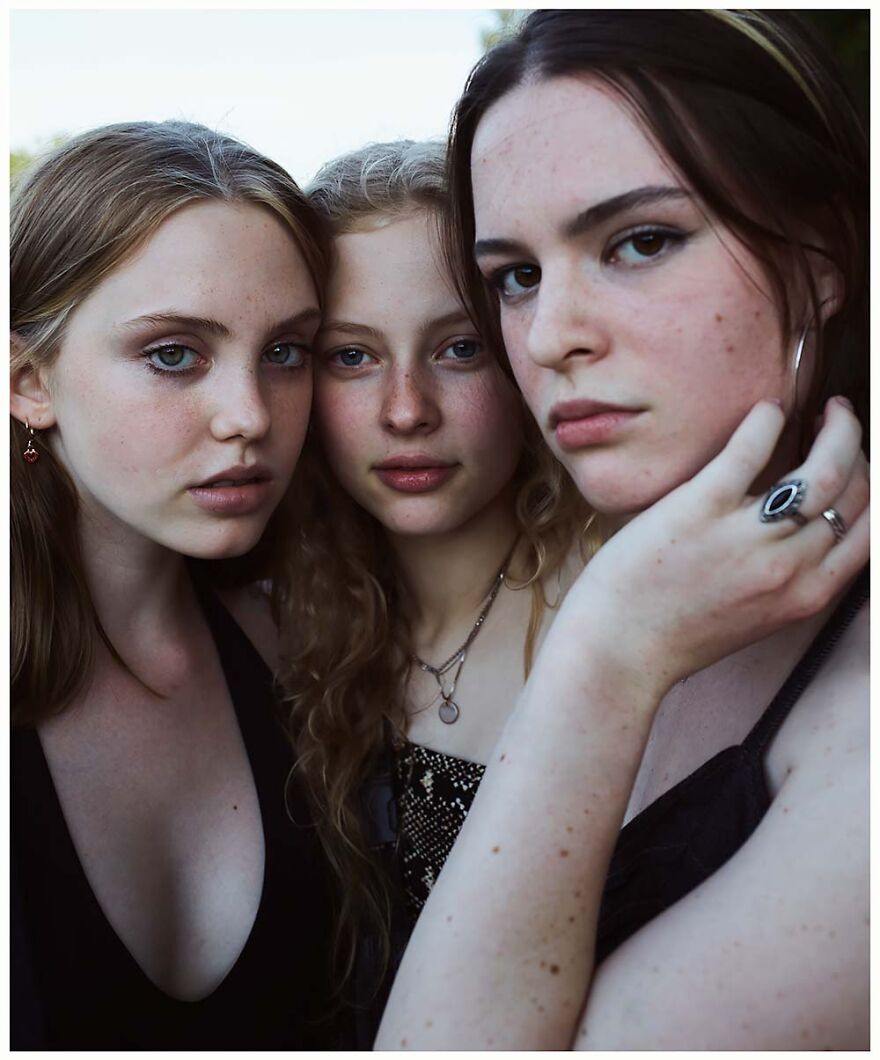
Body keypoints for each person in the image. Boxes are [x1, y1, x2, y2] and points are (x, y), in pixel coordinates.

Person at [376, 10, 869, 1049]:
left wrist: (605, 653)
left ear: (822, 255)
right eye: (515, 275)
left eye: (639, 241)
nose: (551, 337)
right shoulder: (648, 571)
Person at [10, 120, 343, 1049]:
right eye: (173, 354)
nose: (250, 417)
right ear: (29, 379)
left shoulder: (303, 650)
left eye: (286, 352)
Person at [277, 139, 591, 1042]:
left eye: (457, 348)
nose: (406, 409)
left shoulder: (618, 600)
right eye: (351, 357)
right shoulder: (279, 624)